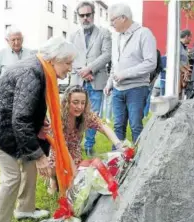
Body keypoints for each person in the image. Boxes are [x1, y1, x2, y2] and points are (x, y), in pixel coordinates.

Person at [0, 37, 77, 222]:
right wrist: (39, 156)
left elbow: (29, 107)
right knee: (12, 177)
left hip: (10, 124)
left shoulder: (41, 67)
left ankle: (24, 209)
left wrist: (39, 123)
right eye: (68, 63)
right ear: (54, 59)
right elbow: (20, 120)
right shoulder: (33, 72)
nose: (70, 68)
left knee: (28, 165)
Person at [47, 85, 123, 193]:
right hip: (58, 149)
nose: (80, 107)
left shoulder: (86, 115)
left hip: (74, 150)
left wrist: (118, 144)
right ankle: (53, 179)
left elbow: (103, 126)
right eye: (75, 102)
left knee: (77, 172)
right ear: (66, 102)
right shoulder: (58, 118)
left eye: (83, 103)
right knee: (55, 169)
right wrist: (74, 175)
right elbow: (62, 148)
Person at [104, 3, 156, 145]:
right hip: (117, 89)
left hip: (137, 89)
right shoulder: (116, 37)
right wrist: (109, 83)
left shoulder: (144, 33)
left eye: (112, 20)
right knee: (118, 126)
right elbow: (116, 63)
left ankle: (138, 161)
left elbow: (151, 63)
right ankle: (117, 161)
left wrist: (125, 74)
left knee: (136, 126)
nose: (110, 24)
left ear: (123, 18)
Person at [69, 1, 112, 156]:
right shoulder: (73, 36)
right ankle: (74, 146)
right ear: (78, 17)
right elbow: (69, 57)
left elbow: (107, 54)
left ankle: (89, 146)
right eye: (82, 15)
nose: (85, 18)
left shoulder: (104, 33)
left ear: (93, 15)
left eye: (88, 14)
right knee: (75, 116)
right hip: (78, 83)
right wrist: (82, 71)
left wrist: (89, 68)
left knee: (92, 116)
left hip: (96, 81)